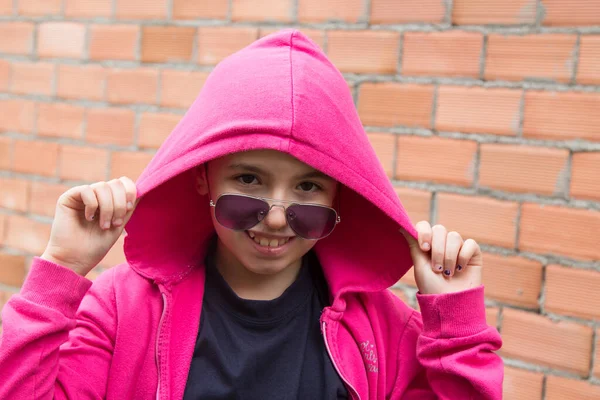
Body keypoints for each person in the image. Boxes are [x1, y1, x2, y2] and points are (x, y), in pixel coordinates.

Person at [0, 29, 503, 399]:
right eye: (248, 181)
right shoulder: (121, 309)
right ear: (202, 177)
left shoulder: (385, 330)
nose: (278, 219)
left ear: (338, 198)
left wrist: (456, 330)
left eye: (308, 188)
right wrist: (60, 273)